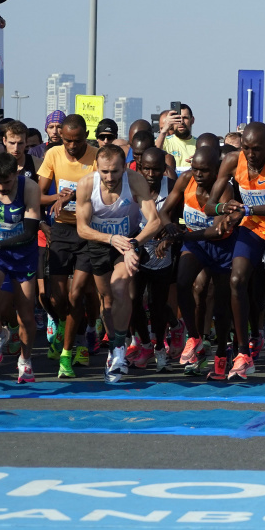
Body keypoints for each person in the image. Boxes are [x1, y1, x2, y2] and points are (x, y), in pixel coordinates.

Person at [205, 122, 265, 380]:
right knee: (236, 280)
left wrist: (246, 210)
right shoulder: (232, 160)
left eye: (256, 149)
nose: (250, 154)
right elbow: (209, 206)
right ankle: (243, 352)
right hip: (253, 230)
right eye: (246, 147)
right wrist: (223, 209)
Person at [74, 144, 163, 384]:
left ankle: (121, 351)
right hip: (100, 242)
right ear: (97, 168)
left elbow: (154, 222)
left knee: (120, 288)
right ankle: (114, 345)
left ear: (124, 167)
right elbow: (82, 228)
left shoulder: (134, 181)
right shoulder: (86, 185)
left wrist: (133, 245)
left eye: (115, 171)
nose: (109, 177)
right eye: (104, 172)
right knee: (107, 300)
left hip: (128, 242)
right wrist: (110, 238)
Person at [36, 114, 99, 378]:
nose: (72, 147)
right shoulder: (53, 155)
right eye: (67, 141)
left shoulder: (97, 156)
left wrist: (77, 194)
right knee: (56, 297)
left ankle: (69, 350)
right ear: (61, 136)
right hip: (61, 230)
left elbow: (104, 191)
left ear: (86, 135)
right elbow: (38, 195)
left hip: (87, 229)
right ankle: (65, 326)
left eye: (77, 141)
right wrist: (57, 198)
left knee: (78, 294)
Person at [165, 146, 236, 378]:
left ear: (217, 170)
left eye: (204, 170)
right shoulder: (186, 180)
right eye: (195, 168)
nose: (198, 174)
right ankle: (194, 338)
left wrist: (182, 235)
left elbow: (216, 231)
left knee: (221, 306)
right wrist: (169, 227)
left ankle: (221, 355)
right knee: (185, 283)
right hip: (195, 242)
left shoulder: (225, 190)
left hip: (222, 247)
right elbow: (165, 211)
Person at [0, 152, 42, 383]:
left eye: (8, 182)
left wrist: (1, 241)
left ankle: (25, 360)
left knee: (26, 316)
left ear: (17, 174)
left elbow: (31, 231)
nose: (2, 187)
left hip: (23, 255)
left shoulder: (29, 187)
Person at [128, 147, 179, 372]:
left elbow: (177, 222)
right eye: (146, 168)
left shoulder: (172, 188)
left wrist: (168, 237)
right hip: (137, 250)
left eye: (156, 169)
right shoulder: (130, 188)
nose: (150, 173)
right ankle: (146, 345)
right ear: (139, 167)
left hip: (162, 253)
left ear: (164, 169)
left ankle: (160, 348)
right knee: (132, 300)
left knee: (158, 306)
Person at [157, 104, 197, 172]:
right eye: (177, 118)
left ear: (192, 120)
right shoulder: (164, 141)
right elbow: (154, 154)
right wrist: (164, 130)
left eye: (185, 118)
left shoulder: (199, 144)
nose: (181, 122)